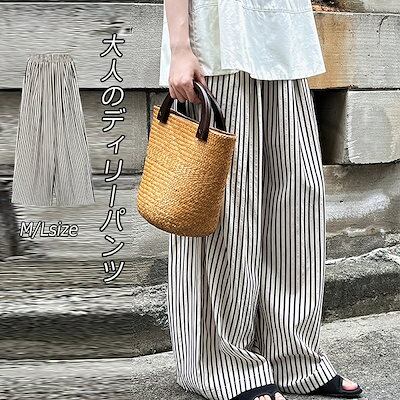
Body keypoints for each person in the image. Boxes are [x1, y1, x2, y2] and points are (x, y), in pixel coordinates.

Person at [158, 1, 364, 399]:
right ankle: (223, 365)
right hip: (218, 47)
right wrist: (180, 48)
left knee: (297, 202)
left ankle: (293, 358)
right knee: (227, 211)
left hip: (283, 43)